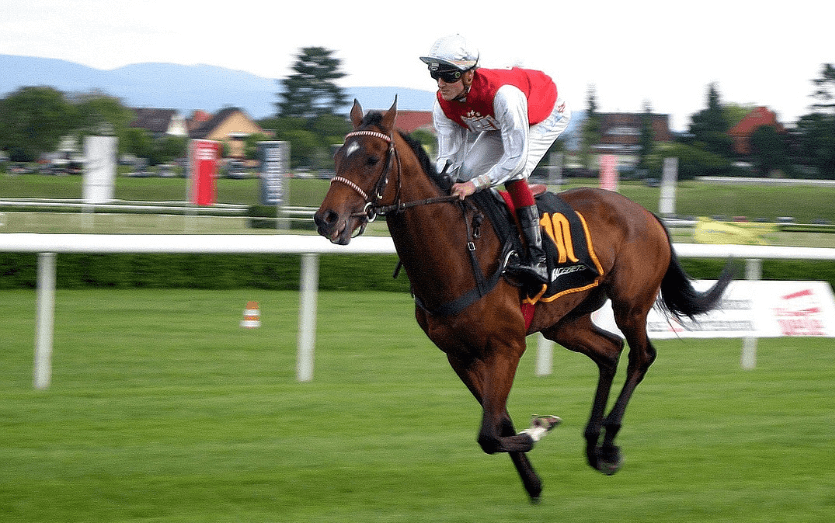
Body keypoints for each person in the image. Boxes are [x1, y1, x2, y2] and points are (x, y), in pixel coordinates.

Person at [420, 34, 571, 284]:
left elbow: (515, 160)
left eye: (449, 75)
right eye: (435, 74)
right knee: (464, 173)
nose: (440, 83)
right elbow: (448, 160)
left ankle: (538, 258)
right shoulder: (443, 104)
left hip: (546, 112)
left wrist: (475, 185)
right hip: (497, 121)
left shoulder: (505, 96)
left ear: (469, 75)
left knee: (514, 174)